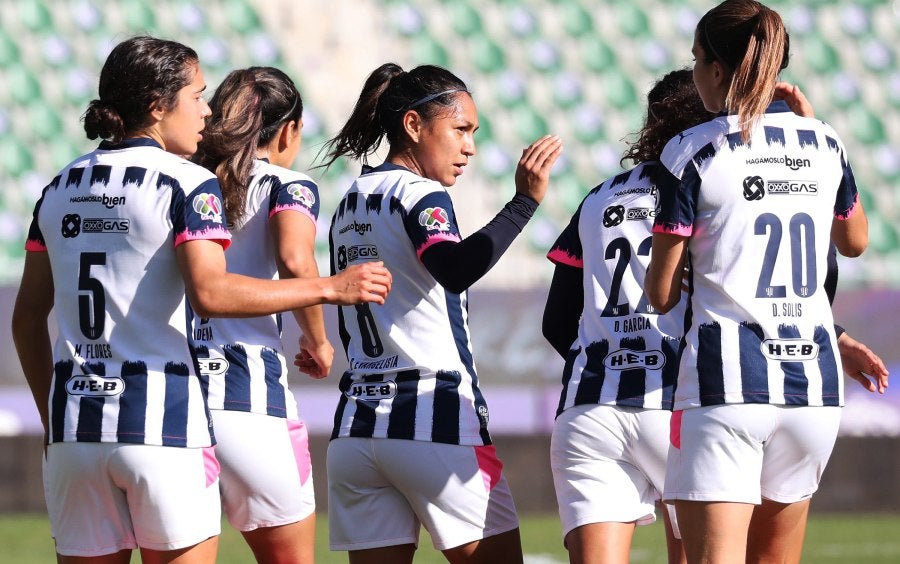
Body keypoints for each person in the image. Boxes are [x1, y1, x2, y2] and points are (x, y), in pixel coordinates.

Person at [10, 36, 390, 564]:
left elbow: (27, 319)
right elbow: (210, 294)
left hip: (76, 430)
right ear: (157, 105)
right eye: (197, 95)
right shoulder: (188, 182)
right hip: (163, 427)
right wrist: (331, 287)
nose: (207, 111)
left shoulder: (57, 187)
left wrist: (55, 418)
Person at [644, 2, 872, 562]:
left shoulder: (691, 149)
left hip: (728, 384)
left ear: (718, 70)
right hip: (814, 390)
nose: (695, 72)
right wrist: (808, 127)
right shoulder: (824, 142)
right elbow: (854, 242)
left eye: (698, 59)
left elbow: (661, 293)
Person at [320, 62, 562, 563]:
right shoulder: (421, 193)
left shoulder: (349, 201)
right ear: (413, 125)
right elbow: (455, 269)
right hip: (433, 418)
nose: (470, 147)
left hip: (357, 430)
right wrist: (523, 203)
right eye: (461, 129)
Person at [543, 69, 706, 564]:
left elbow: (556, 322)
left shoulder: (598, 197)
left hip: (590, 411)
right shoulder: (709, 189)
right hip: (680, 405)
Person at [191, 67, 328, 564]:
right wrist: (317, 339)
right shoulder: (287, 185)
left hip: (174, 399)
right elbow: (296, 260)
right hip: (249, 395)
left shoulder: (187, 183)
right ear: (288, 130)